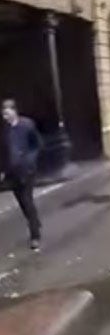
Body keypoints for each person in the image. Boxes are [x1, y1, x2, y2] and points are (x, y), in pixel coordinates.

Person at [1, 99, 43, 250]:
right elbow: (3, 152)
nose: (4, 117)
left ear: (14, 111)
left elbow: (37, 144)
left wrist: (30, 160)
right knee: (22, 203)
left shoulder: (27, 125)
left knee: (27, 201)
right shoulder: (4, 130)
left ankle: (35, 236)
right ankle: (35, 221)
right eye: (3, 114)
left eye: (6, 113)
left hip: (26, 171)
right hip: (12, 173)